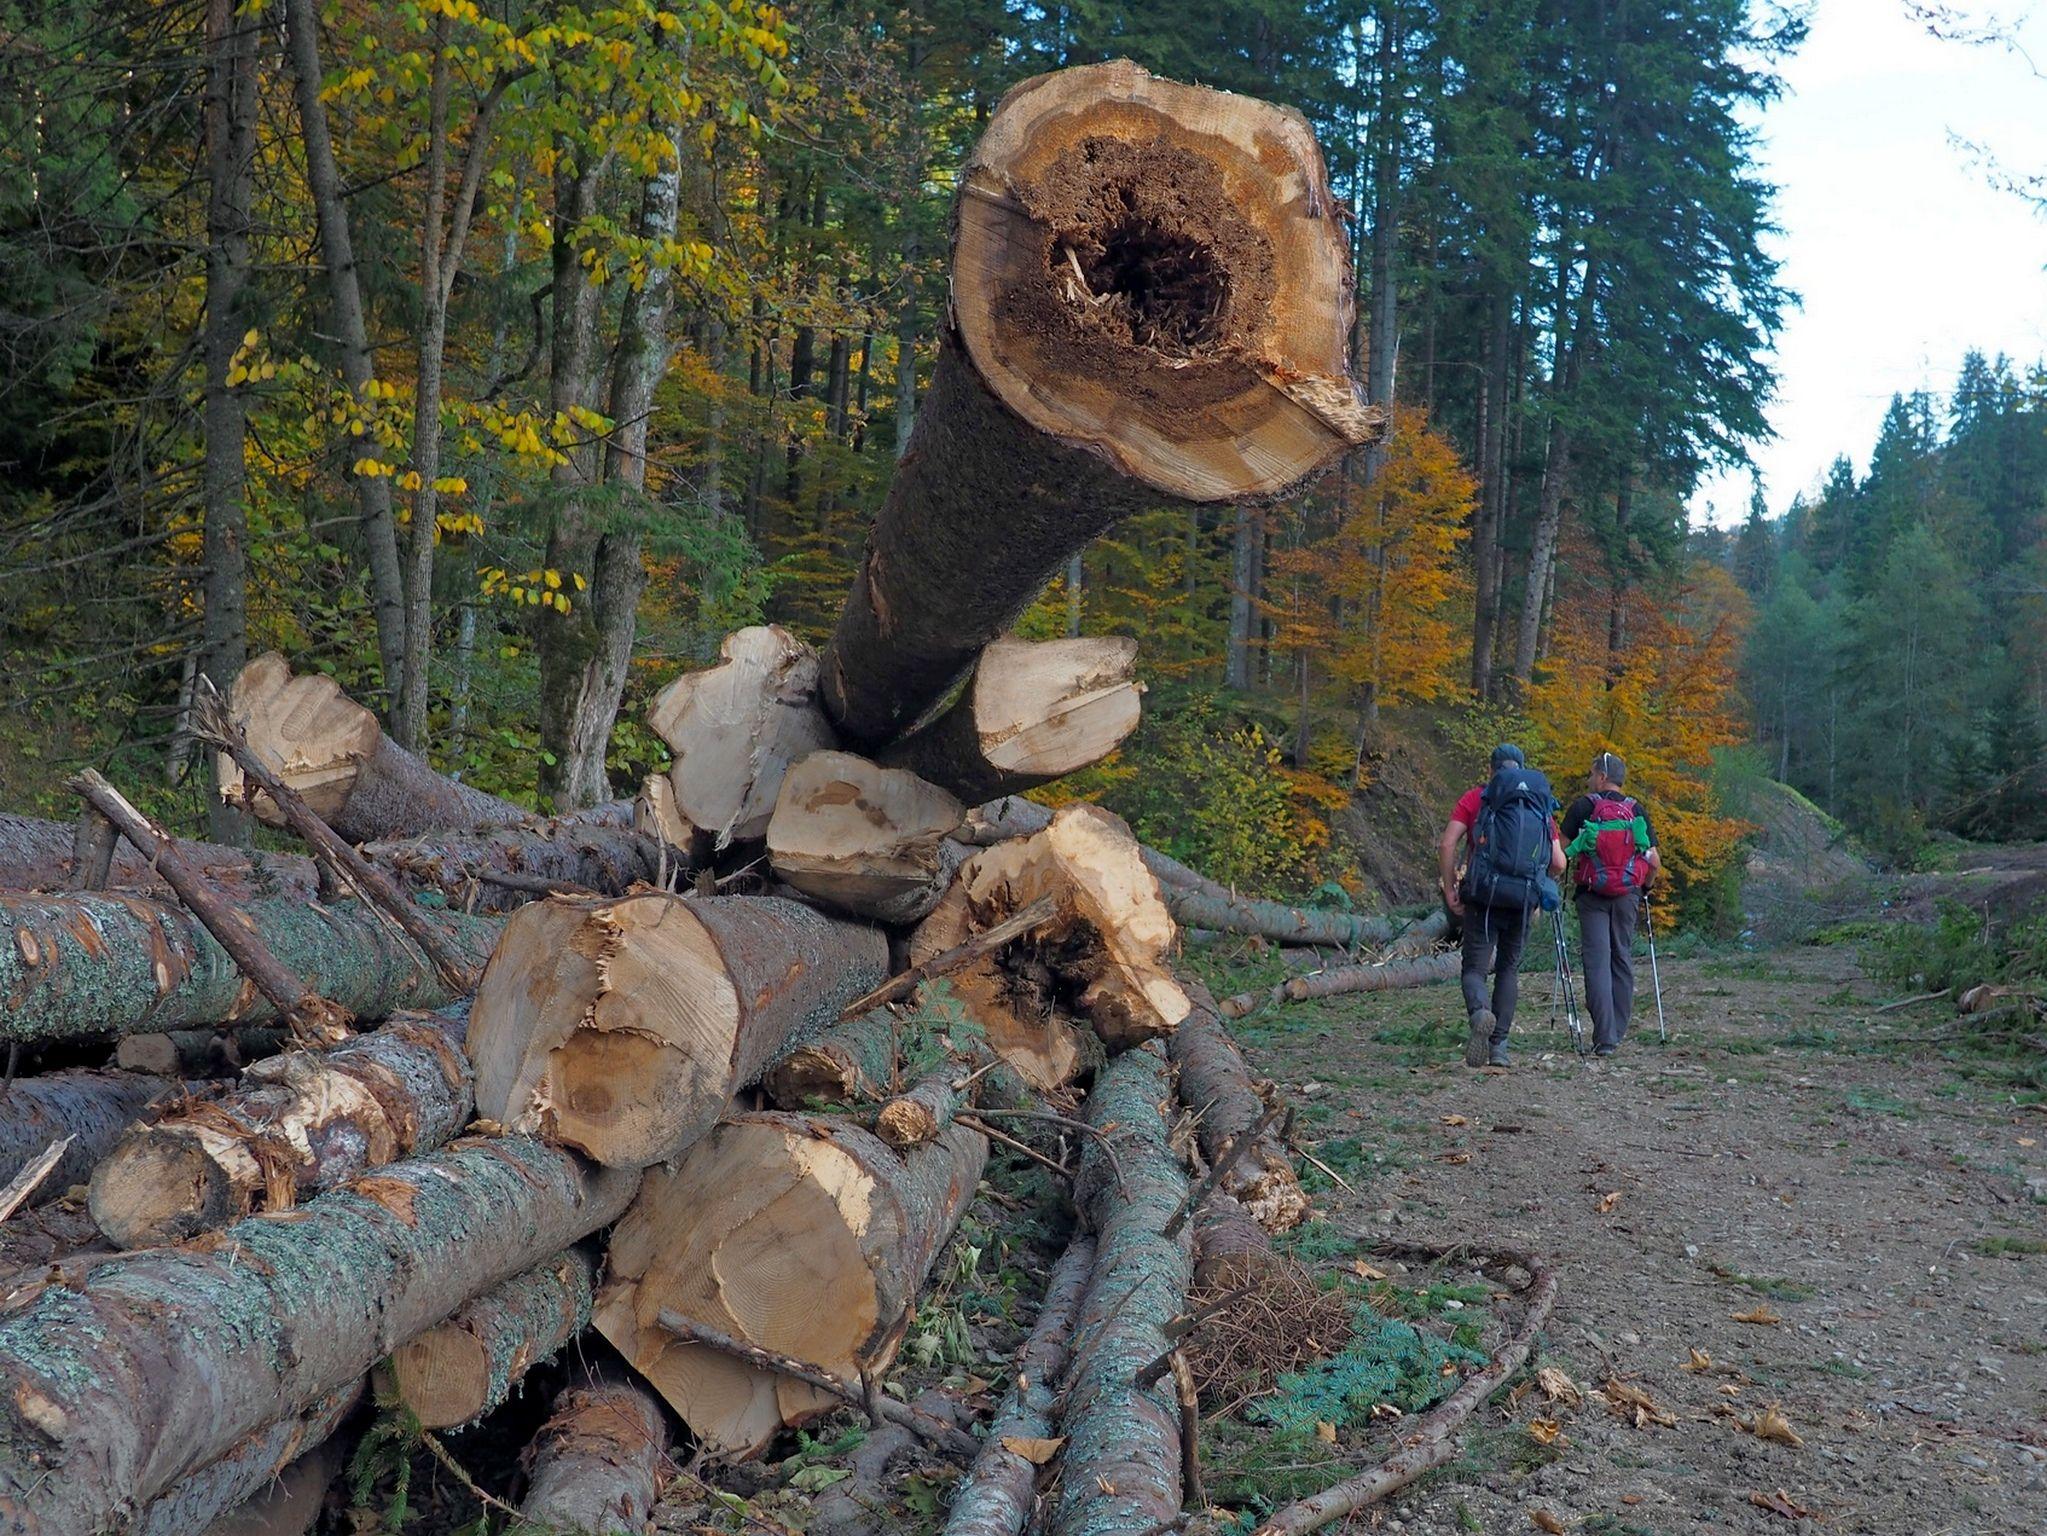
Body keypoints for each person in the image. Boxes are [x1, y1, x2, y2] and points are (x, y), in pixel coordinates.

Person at [1440, 744, 1566, 1069]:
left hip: (1484, 897)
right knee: (1508, 969)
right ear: (1522, 768)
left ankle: (1480, 1011)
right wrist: (1534, 883)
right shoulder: (1536, 803)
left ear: (1491, 770)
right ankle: (1500, 1048)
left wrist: (1452, 886)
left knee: (1474, 969)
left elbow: (1447, 842)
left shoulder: (1477, 798)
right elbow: (1558, 862)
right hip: (1522, 900)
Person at [1560, 750, 1663, 1058]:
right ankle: (1617, 1030)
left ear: (1602, 777)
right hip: (1628, 895)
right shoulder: (1636, 810)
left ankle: (1604, 1038)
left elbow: (1561, 852)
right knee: (1621, 958)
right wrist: (1646, 886)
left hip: (1592, 895)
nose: (1589, 779)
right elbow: (1654, 860)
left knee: (1597, 963)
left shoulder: (1582, 807)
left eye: (1592, 774)